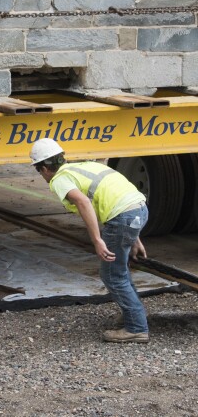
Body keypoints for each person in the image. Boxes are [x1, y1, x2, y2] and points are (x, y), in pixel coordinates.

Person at [30, 138, 149, 343]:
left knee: (112, 274)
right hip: (139, 209)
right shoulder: (83, 165)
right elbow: (117, 194)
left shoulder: (59, 179)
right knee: (119, 269)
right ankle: (133, 316)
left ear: (43, 168)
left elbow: (83, 202)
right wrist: (133, 236)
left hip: (123, 217)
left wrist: (96, 240)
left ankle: (136, 327)